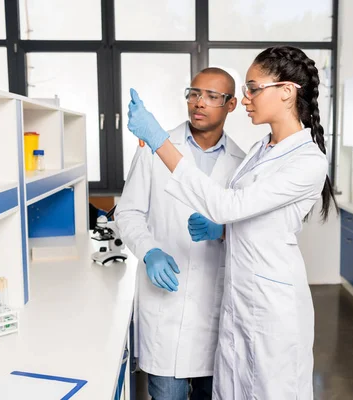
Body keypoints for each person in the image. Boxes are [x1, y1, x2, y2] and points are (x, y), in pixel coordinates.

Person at [126, 46, 338, 399]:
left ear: (286, 92)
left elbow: (228, 204)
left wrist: (159, 141)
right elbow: (257, 216)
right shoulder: (262, 149)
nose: (246, 98)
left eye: (253, 88)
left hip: (272, 308)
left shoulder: (308, 161)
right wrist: (223, 232)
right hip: (240, 301)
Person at [115, 68, 246, 400]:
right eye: (194, 93)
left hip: (215, 314)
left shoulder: (241, 164)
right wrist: (149, 251)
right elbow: (128, 212)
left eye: (212, 96)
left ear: (231, 105)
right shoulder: (155, 148)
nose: (199, 103)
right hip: (166, 312)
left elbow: (252, 230)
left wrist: (224, 232)